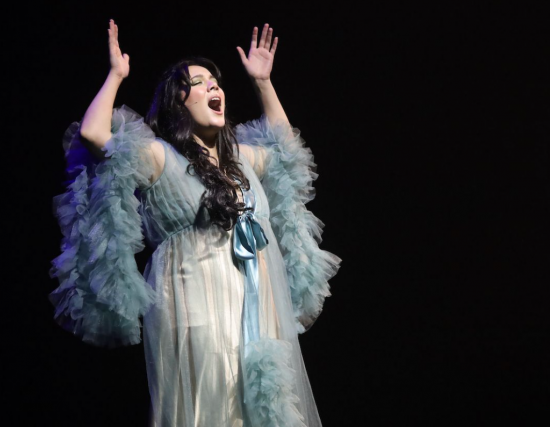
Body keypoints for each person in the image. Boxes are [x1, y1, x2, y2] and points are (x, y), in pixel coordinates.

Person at [49, 19, 340, 427]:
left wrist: (263, 84)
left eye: (216, 82)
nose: (214, 88)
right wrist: (116, 75)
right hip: (194, 303)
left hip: (254, 304)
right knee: (209, 408)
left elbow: (289, 151)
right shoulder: (159, 157)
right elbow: (95, 134)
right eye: (200, 83)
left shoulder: (242, 162)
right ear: (177, 102)